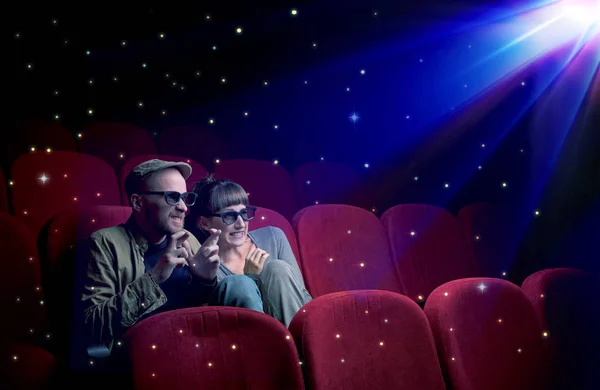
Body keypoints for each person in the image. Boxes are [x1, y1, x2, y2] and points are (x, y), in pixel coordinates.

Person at [79, 159, 263, 361]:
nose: (184, 207)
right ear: (138, 202)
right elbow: (91, 325)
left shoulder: (188, 238)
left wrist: (206, 280)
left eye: (185, 198)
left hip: (201, 346)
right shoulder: (105, 243)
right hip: (150, 352)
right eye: (172, 197)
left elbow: (209, 308)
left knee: (240, 283)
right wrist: (155, 277)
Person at [185, 174, 312, 327]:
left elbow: (300, 296)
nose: (241, 224)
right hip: (246, 339)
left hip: (297, 328)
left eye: (244, 213)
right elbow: (207, 319)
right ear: (205, 223)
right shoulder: (207, 265)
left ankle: (299, 348)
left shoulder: (273, 236)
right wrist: (251, 277)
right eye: (229, 216)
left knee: (277, 268)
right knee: (238, 283)